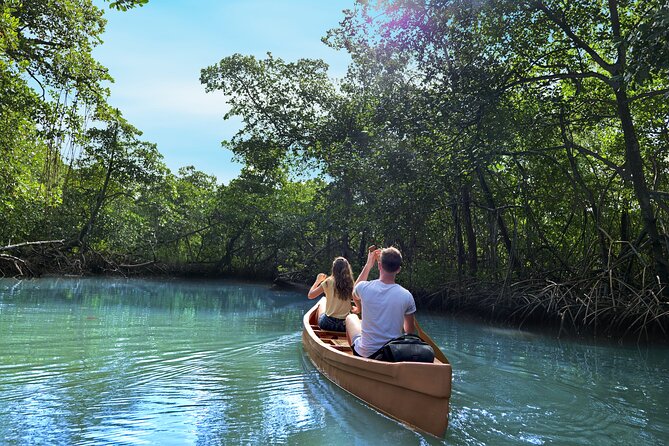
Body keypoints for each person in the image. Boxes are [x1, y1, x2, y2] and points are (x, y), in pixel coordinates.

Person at [345, 246, 416, 358]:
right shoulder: (407, 296)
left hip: (366, 353)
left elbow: (354, 293)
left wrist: (368, 264)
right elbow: (409, 331)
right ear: (398, 269)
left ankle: (355, 360)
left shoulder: (364, 287)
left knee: (351, 318)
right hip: (392, 354)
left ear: (379, 266)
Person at [307, 257, 355, 332]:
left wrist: (318, 281)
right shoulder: (350, 283)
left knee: (322, 301)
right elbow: (354, 298)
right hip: (344, 326)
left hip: (327, 324)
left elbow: (310, 295)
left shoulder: (328, 281)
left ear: (334, 269)